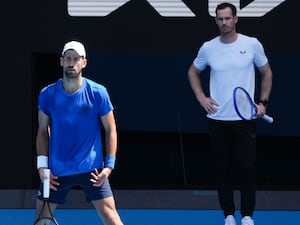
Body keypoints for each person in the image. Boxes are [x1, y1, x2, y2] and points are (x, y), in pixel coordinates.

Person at [187, 2, 272, 225]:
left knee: (247, 169)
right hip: (217, 120)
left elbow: (266, 71)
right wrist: (201, 98)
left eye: (227, 18)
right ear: (216, 21)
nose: (224, 23)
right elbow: (193, 72)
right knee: (222, 170)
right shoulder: (208, 48)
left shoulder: (252, 44)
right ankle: (228, 215)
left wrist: (262, 102)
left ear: (235, 19)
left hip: (245, 121)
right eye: (220, 19)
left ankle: (246, 216)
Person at [33, 40, 124, 225]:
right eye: (68, 58)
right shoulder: (47, 94)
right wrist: (42, 166)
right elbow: (42, 130)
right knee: (41, 220)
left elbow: (111, 129)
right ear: (61, 61)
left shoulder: (99, 93)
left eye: (76, 58)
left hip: (92, 170)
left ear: (84, 63)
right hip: (57, 172)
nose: (71, 62)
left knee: (112, 218)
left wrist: (109, 166)